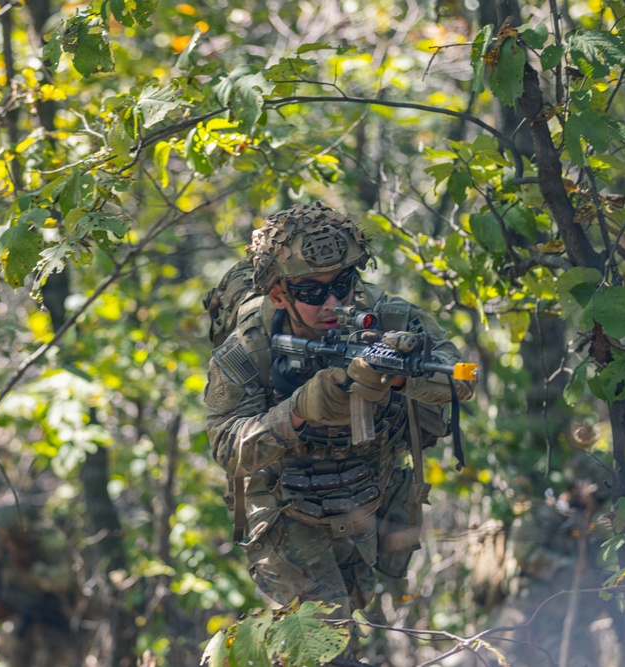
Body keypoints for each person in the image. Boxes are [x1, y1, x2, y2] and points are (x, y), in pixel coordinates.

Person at [204, 201, 475, 619]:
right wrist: (298, 411)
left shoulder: (388, 316)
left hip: (368, 493)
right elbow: (226, 447)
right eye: (312, 291)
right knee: (326, 634)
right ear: (278, 293)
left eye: (343, 283)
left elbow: (461, 378)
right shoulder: (246, 348)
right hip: (287, 505)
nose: (333, 302)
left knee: (357, 607)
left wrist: (398, 378)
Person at [0, 503, 81, 667]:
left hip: (52, 620)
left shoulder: (49, 540)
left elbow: (64, 582)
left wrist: (31, 566)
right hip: (17, 620)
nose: (11, 544)